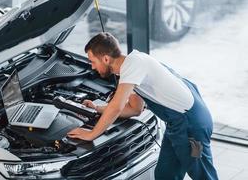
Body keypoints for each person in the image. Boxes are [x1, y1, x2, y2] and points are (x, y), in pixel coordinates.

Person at [67, 32, 218, 180]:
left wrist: (91, 134)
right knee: (165, 175)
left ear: (106, 58)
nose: (92, 67)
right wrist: (97, 108)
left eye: (93, 62)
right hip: (177, 125)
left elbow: (116, 107)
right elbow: (135, 109)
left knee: (203, 175)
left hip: (191, 126)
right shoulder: (133, 66)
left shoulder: (133, 65)